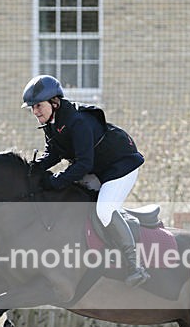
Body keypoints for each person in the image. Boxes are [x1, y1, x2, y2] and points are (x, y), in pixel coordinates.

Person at [22, 75, 150, 287]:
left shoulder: (77, 121)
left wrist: (56, 181)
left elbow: (82, 164)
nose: (35, 112)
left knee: (104, 211)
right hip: (97, 168)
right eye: (32, 108)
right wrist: (32, 169)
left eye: (38, 106)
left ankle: (135, 266)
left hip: (120, 167)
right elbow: (54, 153)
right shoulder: (52, 122)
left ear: (54, 102)